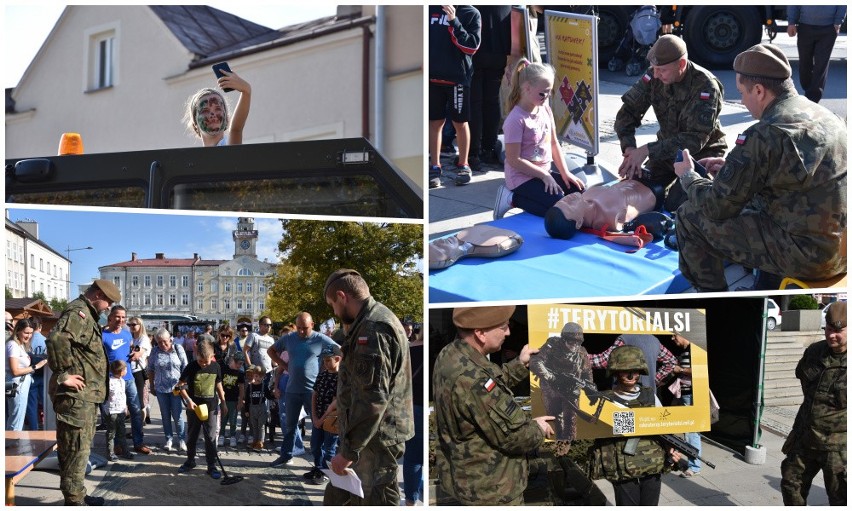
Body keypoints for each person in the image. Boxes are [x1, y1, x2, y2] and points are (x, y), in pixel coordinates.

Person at [674, 44, 847, 292]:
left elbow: (715, 207)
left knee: (689, 216)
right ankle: (765, 288)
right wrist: (732, 169)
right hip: (840, 250)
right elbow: (795, 178)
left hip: (811, 259)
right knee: (755, 204)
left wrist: (688, 176)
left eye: (742, 93)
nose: (742, 101)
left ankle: (716, 307)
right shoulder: (824, 115)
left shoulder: (766, 133)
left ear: (759, 90)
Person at [433, 305, 554, 505]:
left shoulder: (451, 353)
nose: (508, 332)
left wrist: (519, 364)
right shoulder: (473, 379)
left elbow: (486, 388)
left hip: (469, 480)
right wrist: (538, 428)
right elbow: (514, 437)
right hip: (493, 492)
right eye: (503, 327)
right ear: (480, 333)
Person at [321, 269, 414, 505]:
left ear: (342, 296)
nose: (334, 311)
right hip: (367, 437)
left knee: (375, 499)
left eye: (333, 304)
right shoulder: (366, 322)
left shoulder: (373, 329)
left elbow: (373, 398)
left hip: (374, 440)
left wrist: (349, 452)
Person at [614, 34, 726, 212]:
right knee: (641, 189)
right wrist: (630, 152)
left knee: (675, 205)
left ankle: (709, 183)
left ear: (681, 64)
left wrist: (647, 150)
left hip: (699, 155)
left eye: (662, 70)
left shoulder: (705, 86)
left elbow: (694, 140)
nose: (655, 75)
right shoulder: (655, 74)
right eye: (654, 68)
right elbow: (627, 113)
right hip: (666, 153)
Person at [46, 279, 121, 505]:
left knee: (81, 447)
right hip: (75, 398)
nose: (108, 307)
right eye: (107, 301)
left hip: (85, 396)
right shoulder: (78, 312)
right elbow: (57, 338)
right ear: (97, 294)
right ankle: (73, 500)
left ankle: (77, 493)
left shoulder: (87, 314)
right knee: (75, 448)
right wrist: (64, 375)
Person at [493, 59, 585, 220]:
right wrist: (544, 176)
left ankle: (541, 194)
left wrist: (565, 173)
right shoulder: (516, 119)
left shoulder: (545, 109)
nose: (547, 97)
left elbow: (554, 143)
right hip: (521, 178)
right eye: (543, 93)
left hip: (543, 174)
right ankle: (511, 198)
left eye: (549, 92)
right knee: (561, 210)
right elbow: (514, 160)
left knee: (579, 195)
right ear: (527, 88)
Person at [587, 346, 681, 505]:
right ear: (615, 372)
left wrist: (671, 450)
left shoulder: (650, 396)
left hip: (652, 466)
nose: (631, 375)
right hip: (623, 471)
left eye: (636, 370)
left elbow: (663, 427)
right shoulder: (605, 400)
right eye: (625, 370)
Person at [781, 301, 846, 506]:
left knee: (841, 498)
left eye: (838, 331)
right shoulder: (815, 351)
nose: (831, 335)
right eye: (828, 329)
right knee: (791, 485)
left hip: (837, 446)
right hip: (805, 437)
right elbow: (803, 380)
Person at [268, 312, 337, 467]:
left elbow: (339, 352)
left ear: (312, 325)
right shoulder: (289, 338)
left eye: (304, 328)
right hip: (292, 389)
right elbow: (271, 351)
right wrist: (284, 365)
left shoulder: (319, 338)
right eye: (298, 327)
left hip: (312, 390)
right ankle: (286, 455)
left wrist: (331, 371)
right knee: (290, 424)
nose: (300, 331)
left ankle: (319, 464)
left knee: (317, 426)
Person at [428, 4, 482, 188]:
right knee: (435, 123)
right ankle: (434, 166)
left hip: (457, 79)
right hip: (433, 78)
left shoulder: (471, 13)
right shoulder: (430, 9)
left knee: (460, 123)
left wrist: (454, 22)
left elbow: (472, 47)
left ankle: (463, 164)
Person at [529, 322, 593, 443]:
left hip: (571, 391)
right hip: (551, 388)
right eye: (571, 341)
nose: (574, 345)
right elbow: (535, 361)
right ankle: (556, 445)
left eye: (578, 342)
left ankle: (569, 447)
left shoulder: (582, 352)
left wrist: (591, 391)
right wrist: (551, 377)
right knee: (555, 420)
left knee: (571, 423)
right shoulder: (553, 344)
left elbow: (587, 373)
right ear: (564, 339)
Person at [101, 305, 150, 454]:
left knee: (136, 411)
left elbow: (131, 348)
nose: (120, 320)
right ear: (110, 317)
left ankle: (138, 443)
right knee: (116, 414)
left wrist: (136, 352)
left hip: (129, 379)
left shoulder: (127, 334)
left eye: (123, 317)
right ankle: (118, 444)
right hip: (112, 381)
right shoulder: (102, 335)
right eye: (117, 317)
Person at [544, 179, 663, 240]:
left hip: (634, 178)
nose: (567, 198)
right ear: (579, 222)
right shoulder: (611, 217)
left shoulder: (585, 198)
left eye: (561, 201)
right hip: (654, 190)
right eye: (569, 205)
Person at [469, 5, 512, 171]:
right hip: (499, 53)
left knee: (475, 103)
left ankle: (473, 152)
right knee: (492, 102)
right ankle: (488, 147)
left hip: (475, 53)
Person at [176, 341, 227, 479]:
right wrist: (189, 401)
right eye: (200, 360)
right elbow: (180, 386)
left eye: (206, 361)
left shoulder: (216, 366)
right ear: (196, 355)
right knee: (192, 435)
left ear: (213, 356)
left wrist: (223, 402)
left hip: (211, 407)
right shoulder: (191, 367)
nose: (203, 364)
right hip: (194, 407)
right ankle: (190, 460)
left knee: (210, 437)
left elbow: (218, 384)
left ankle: (211, 465)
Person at [787, 6, 847, 103]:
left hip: (828, 28)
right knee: (805, 63)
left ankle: (812, 99)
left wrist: (838, 21)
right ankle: (808, 89)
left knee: (821, 64)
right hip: (805, 26)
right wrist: (791, 22)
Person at [304, 344, 342, 486]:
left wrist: (322, 419)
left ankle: (327, 472)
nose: (325, 363)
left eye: (328, 360)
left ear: (337, 359)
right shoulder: (322, 374)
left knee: (329, 447)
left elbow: (335, 403)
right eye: (323, 360)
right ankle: (319, 467)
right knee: (314, 445)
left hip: (332, 420)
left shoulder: (341, 378)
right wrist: (314, 416)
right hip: (318, 417)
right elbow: (315, 394)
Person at [183, 68, 251, 146]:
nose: (212, 113)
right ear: (195, 123)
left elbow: (236, 129)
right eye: (205, 110)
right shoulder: (195, 157)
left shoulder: (230, 149)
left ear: (227, 120)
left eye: (218, 109)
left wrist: (246, 90)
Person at [147, 328, 188, 453]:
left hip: (176, 388)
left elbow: (185, 368)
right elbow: (150, 369)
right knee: (165, 416)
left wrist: (183, 386)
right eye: (159, 342)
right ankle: (168, 439)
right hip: (161, 388)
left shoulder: (178, 349)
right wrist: (152, 386)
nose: (162, 345)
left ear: (170, 339)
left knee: (178, 415)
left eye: (164, 341)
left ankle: (181, 440)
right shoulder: (155, 351)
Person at [588, 334, 677, 390]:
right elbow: (671, 361)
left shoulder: (625, 338)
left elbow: (605, 361)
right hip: (650, 395)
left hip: (625, 394)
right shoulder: (654, 340)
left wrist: (581, 357)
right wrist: (654, 379)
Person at [670, 331, 701, 477]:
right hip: (685, 394)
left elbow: (699, 370)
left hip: (691, 394)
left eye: (674, 335)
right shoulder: (684, 352)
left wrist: (680, 369)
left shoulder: (694, 349)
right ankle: (693, 464)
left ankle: (694, 466)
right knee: (689, 430)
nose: (672, 338)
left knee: (691, 430)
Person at [7, 319, 47, 431]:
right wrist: (36, 366)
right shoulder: (13, 345)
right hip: (17, 385)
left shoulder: (19, 345)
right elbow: (15, 370)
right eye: (26, 333)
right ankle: (12, 445)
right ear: (18, 331)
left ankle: (12, 444)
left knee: (16, 417)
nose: (29, 336)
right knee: (16, 419)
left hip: (20, 384)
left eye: (30, 333)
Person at [402, 331, 424, 505]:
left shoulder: (409, 349)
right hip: (423, 405)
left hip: (412, 405)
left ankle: (410, 501)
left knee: (413, 457)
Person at [104, 360, 134, 461]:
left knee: (122, 431)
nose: (126, 371)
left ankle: (125, 451)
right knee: (111, 433)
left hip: (121, 410)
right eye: (125, 369)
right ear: (121, 371)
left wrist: (125, 407)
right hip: (112, 411)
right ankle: (110, 453)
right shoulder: (109, 382)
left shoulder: (122, 381)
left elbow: (123, 395)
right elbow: (105, 396)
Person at [127, 316, 152, 426]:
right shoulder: (132, 338)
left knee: (140, 401)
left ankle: (140, 426)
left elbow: (136, 355)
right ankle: (136, 425)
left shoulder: (143, 339)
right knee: (131, 401)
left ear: (140, 325)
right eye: (129, 325)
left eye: (133, 325)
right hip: (130, 370)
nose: (131, 327)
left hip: (138, 372)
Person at [25, 316, 48, 431]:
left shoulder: (26, 341)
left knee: (32, 405)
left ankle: (34, 429)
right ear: (40, 326)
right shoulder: (46, 340)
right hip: (44, 375)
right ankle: (48, 427)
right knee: (46, 404)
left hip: (30, 375)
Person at [220, 351, 246, 448]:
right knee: (223, 418)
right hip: (224, 399)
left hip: (234, 400)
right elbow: (218, 384)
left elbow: (241, 388)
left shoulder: (240, 373)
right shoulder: (223, 369)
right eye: (239, 363)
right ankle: (221, 435)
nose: (240, 365)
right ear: (233, 361)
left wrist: (240, 401)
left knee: (233, 419)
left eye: (242, 364)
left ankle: (232, 436)